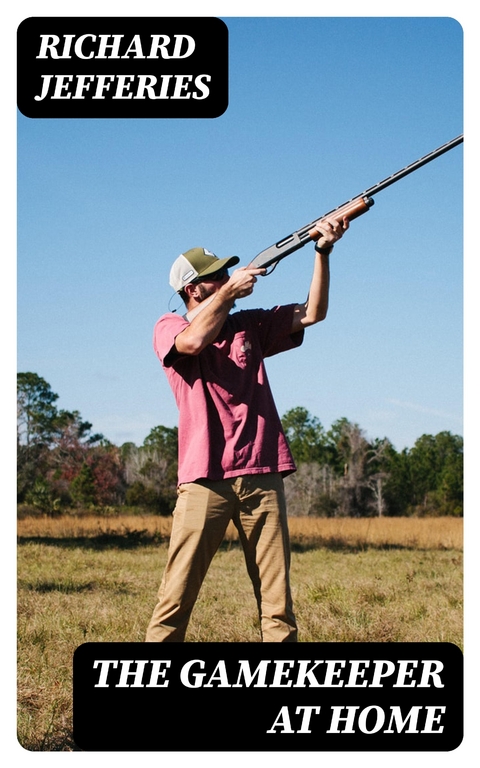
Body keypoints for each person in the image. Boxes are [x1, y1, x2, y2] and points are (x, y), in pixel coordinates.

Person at [145, 216, 349, 642]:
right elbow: (193, 343)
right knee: (175, 602)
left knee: (278, 607)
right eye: (214, 277)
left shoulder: (249, 324)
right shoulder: (170, 326)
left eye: (225, 274)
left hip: (262, 471)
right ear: (192, 289)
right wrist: (230, 293)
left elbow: (314, 313)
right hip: (205, 479)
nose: (224, 278)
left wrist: (323, 252)